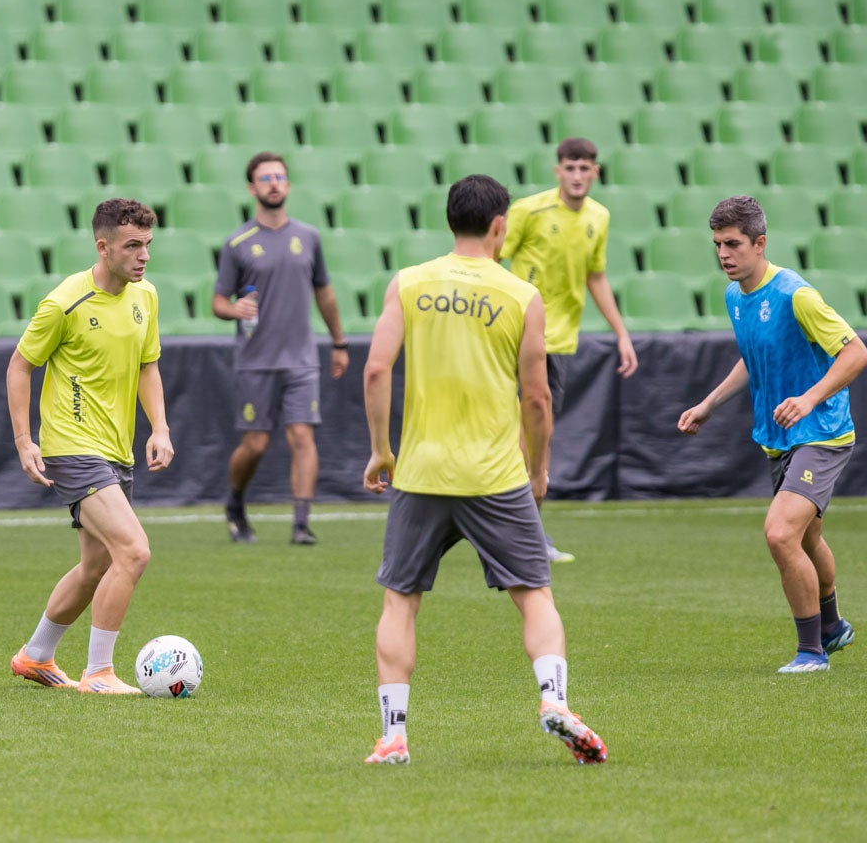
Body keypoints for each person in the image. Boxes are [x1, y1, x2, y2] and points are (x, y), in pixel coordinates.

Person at [361, 174, 607, 767]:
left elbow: (375, 370)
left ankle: (394, 735)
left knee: (400, 601)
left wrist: (381, 450)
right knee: (534, 595)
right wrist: (538, 469)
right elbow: (537, 399)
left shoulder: (409, 282)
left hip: (421, 471)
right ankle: (554, 700)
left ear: (450, 220)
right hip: (496, 474)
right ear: (500, 225)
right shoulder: (522, 296)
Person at [678, 196, 867, 674]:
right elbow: (753, 357)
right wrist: (708, 405)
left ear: (760, 243)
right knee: (807, 539)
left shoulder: (795, 295)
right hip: (779, 436)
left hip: (821, 433)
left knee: (780, 533)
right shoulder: (734, 296)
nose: (723, 254)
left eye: (733, 244)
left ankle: (811, 652)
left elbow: (857, 354)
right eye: (718, 244)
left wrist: (809, 398)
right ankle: (833, 626)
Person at [7, 197, 173, 695]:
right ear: (103, 247)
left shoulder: (147, 296)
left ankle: (35, 655)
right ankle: (98, 673)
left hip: (117, 449)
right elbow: (20, 365)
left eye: (147, 245)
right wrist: (24, 440)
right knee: (134, 551)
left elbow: (148, 366)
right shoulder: (64, 302)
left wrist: (160, 428)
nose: (144, 256)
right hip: (72, 446)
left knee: (95, 566)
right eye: (132, 246)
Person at [501, 137, 638, 563]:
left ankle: (520, 532)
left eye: (585, 168)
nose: (577, 176)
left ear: (595, 172)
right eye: (570, 168)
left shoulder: (599, 217)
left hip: (557, 343)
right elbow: (491, 258)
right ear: (557, 171)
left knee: (536, 439)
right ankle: (524, 536)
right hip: (518, 337)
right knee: (526, 438)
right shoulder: (528, 211)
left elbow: (595, 276)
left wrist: (621, 333)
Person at [211, 151, 349, 546]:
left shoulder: (309, 237)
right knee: (255, 444)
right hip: (256, 361)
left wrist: (338, 342)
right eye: (265, 178)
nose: (274, 184)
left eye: (279, 177)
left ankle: (301, 524)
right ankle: (235, 502)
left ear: (288, 184)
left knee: (302, 436)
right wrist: (234, 309)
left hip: (301, 359)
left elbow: (324, 293)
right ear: (251, 188)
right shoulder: (237, 243)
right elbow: (218, 302)